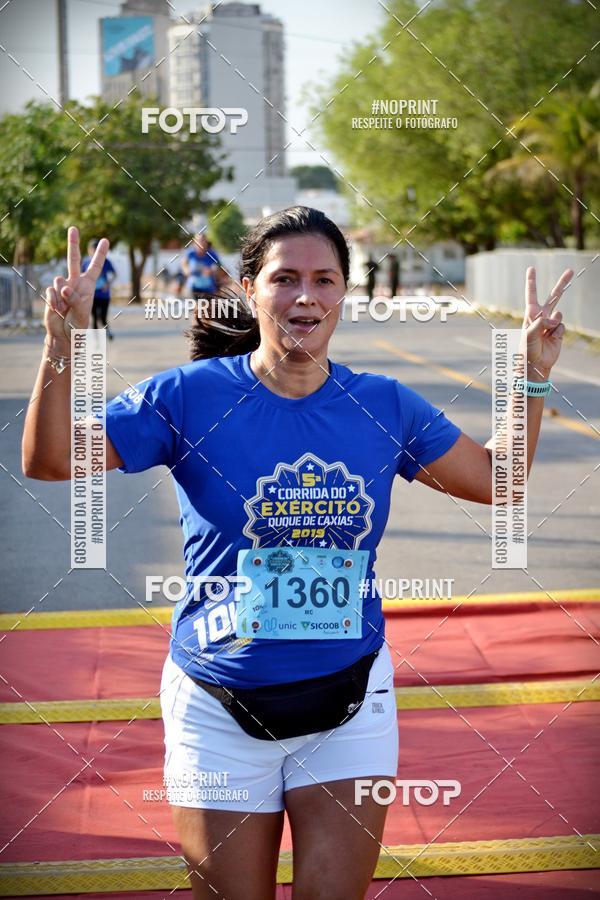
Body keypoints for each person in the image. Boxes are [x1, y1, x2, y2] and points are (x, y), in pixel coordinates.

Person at [22, 209, 571, 900]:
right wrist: (60, 341)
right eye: (285, 279)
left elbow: (499, 480)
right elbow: (48, 459)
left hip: (350, 702)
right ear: (251, 289)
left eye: (324, 279)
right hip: (215, 703)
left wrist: (531, 374)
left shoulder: (384, 405)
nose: (305, 296)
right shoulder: (188, 398)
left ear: (345, 294)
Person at [82, 238, 116, 339]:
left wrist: (108, 284)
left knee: (103, 317)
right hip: (91, 295)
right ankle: (95, 338)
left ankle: (107, 331)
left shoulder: (106, 262)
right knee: (94, 317)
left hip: (104, 294)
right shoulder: (86, 262)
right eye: (92, 249)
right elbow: (82, 275)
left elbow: (114, 274)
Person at [182, 232, 222, 299]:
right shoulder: (190, 253)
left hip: (208, 288)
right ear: (194, 243)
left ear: (206, 243)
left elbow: (218, 267)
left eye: (203, 241)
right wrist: (186, 270)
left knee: (207, 308)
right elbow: (184, 263)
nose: (200, 243)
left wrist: (212, 270)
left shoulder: (212, 254)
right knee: (195, 307)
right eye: (198, 241)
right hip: (193, 287)